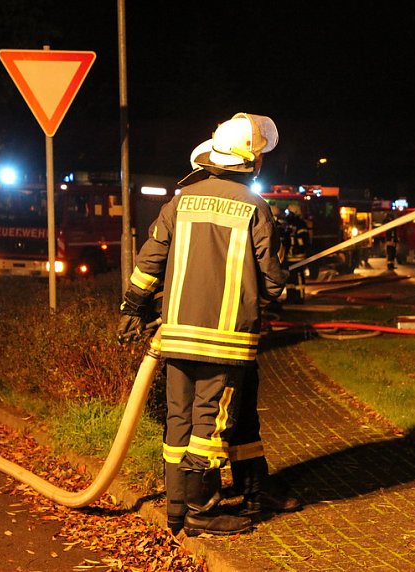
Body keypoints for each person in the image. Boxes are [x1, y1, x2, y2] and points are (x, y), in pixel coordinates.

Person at [116, 113, 293, 537]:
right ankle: (202, 511)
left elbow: (149, 263)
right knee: (211, 425)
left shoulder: (180, 201)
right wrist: (275, 282)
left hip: (175, 334)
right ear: (247, 162)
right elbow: (271, 283)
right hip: (225, 341)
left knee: (180, 420)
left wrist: (132, 307)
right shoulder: (255, 207)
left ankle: (177, 508)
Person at [283, 202, 310, 303]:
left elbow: (304, 239)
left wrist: (298, 246)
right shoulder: (288, 225)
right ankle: (290, 297)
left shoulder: (301, 224)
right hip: (289, 256)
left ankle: (300, 298)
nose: (287, 215)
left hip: (298, 257)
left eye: (289, 213)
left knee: (298, 278)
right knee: (290, 278)